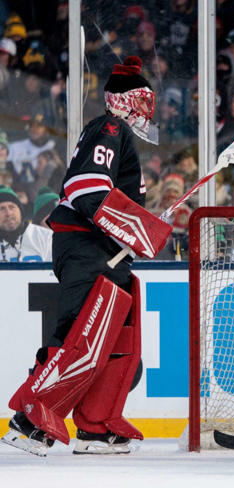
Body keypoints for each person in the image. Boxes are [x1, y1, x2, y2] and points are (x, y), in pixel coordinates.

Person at [0, 56, 171, 456]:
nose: (148, 110)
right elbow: (84, 186)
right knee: (83, 332)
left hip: (104, 249)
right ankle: (31, 417)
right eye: (143, 101)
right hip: (85, 246)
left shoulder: (118, 134)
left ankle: (96, 424)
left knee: (117, 336)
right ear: (124, 100)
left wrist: (141, 222)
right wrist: (139, 227)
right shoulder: (110, 127)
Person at [0, 185, 52, 261]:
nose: (8, 213)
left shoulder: (46, 237)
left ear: (20, 211)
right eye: (2, 209)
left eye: (12, 207)